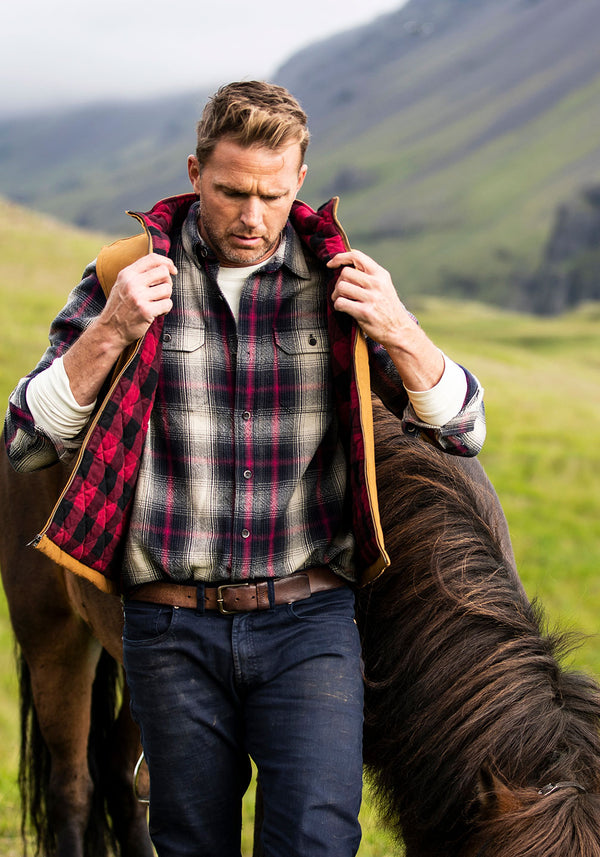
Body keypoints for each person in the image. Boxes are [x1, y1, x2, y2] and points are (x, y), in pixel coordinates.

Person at [5, 81, 486, 857]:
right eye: (230, 192)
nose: (251, 217)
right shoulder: (123, 276)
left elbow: (462, 429)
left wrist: (399, 327)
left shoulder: (344, 288)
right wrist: (111, 328)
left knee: (316, 843)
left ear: (300, 179)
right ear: (196, 173)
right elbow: (24, 441)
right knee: (192, 846)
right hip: (168, 626)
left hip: (310, 624)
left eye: (270, 193)